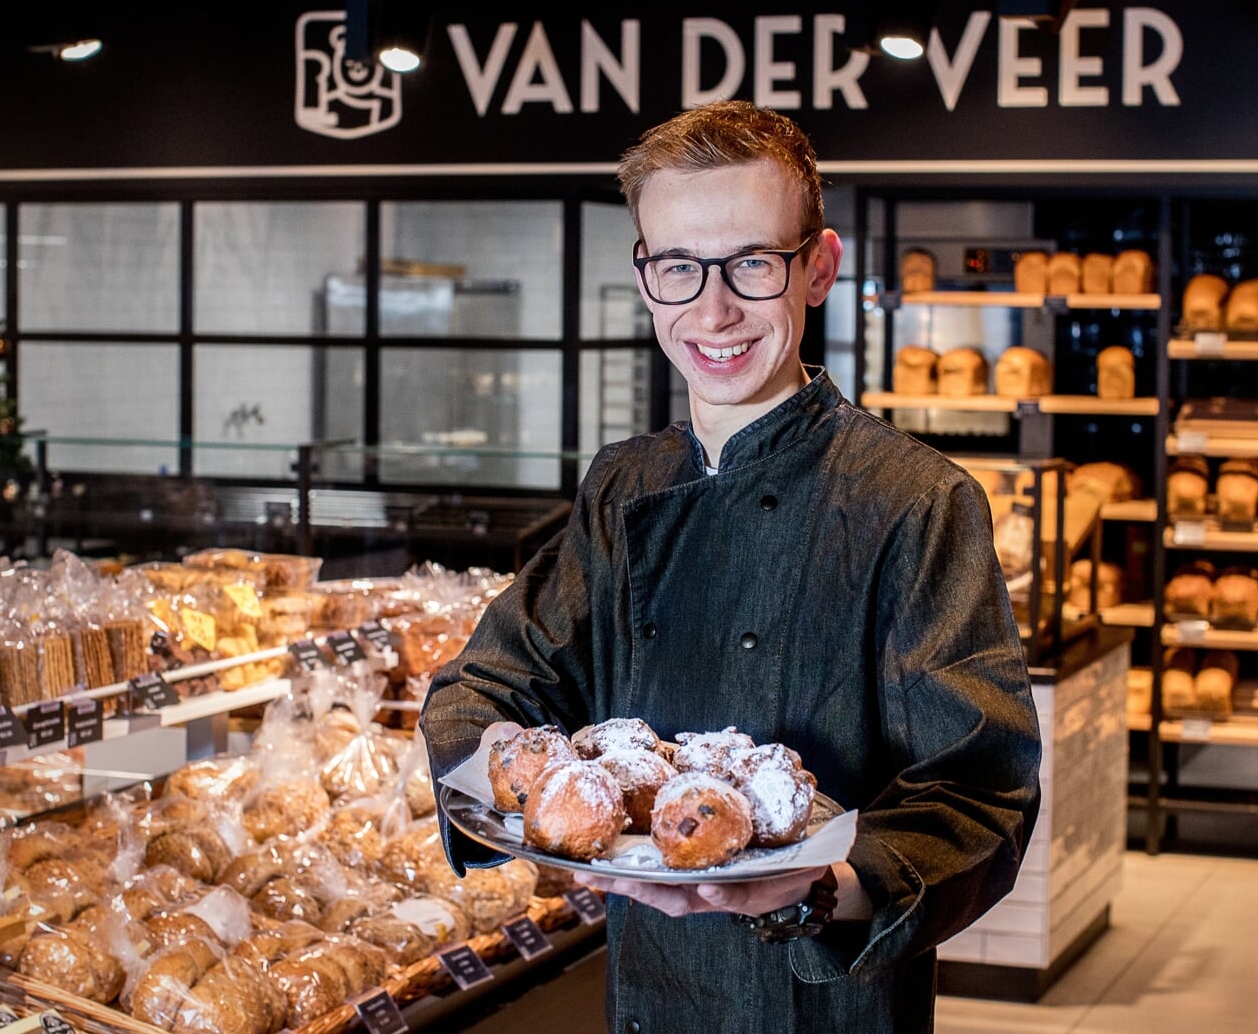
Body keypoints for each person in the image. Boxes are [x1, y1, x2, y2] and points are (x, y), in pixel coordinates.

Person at [420, 100, 1040, 1033]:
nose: (712, 310)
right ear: (645, 277)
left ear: (818, 267)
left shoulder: (915, 500)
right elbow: (489, 684)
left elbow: (979, 790)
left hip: (823, 995)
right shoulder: (625, 485)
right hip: (645, 988)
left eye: (753, 262)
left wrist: (815, 890)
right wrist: (518, 784)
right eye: (678, 267)